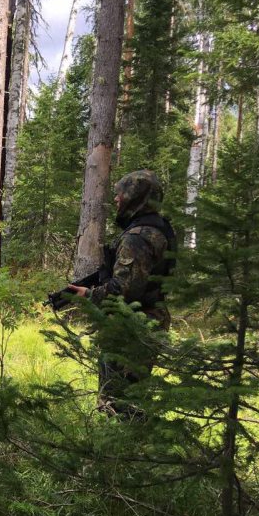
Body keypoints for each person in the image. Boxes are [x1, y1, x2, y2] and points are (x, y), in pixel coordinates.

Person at [67, 170, 176, 419]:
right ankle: (131, 449)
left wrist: (88, 295)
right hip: (148, 319)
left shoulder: (137, 237)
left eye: (120, 194)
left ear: (135, 197)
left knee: (119, 401)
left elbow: (125, 289)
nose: (116, 199)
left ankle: (121, 453)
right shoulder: (159, 229)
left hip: (132, 326)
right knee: (132, 398)